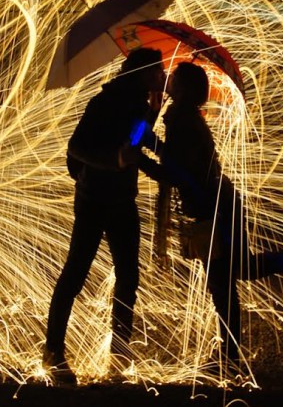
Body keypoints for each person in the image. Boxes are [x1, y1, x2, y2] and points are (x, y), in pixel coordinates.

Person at [154, 62, 283, 373]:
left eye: (173, 77)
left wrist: (138, 157)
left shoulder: (182, 120)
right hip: (216, 205)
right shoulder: (181, 117)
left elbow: (177, 171)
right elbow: (175, 159)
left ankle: (229, 358)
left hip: (214, 209)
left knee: (227, 280)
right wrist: (146, 140)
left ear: (184, 88)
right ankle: (229, 356)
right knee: (232, 275)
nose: (167, 79)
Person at [43, 47, 165, 384]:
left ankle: (120, 356)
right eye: (158, 72)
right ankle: (53, 352)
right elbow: (76, 147)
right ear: (142, 74)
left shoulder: (141, 104)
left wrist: (152, 115)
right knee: (76, 273)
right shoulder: (104, 103)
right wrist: (115, 160)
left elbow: (135, 141)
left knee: (128, 277)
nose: (163, 78)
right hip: (94, 199)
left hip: (123, 199)